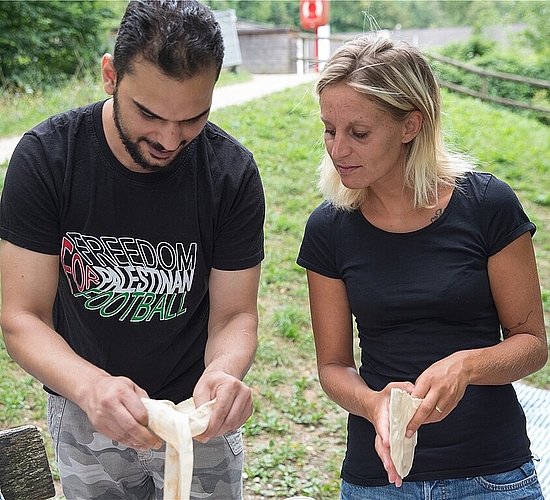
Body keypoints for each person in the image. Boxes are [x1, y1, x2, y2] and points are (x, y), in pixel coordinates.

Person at [0, 1, 264, 498]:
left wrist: (223, 375)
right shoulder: (47, 161)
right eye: (149, 113)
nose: (170, 138)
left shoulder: (232, 175)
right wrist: (91, 387)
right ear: (110, 76)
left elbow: (234, 317)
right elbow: (22, 317)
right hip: (86, 409)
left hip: (195, 413)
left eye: (194, 118)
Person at [297, 35, 547, 499]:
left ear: (410, 125)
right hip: (379, 479)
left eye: (359, 132)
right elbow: (332, 366)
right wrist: (373, 405)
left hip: (493, 476)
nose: (338, 149)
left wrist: (467, 366)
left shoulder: (488, 205)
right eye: (329, 129)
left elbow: (532, 346)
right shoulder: (329, 228)